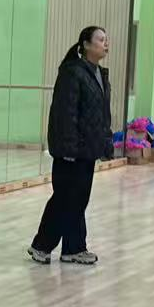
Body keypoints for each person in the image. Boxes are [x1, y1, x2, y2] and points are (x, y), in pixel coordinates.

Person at [27, 25, 113, 267]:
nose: (106, 44)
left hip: (88, 150)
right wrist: (69, 149)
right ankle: (41, 246)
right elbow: (65, 114)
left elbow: (102, 115)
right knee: (64, 199)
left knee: (78, 200)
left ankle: (74, 249)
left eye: (106, 40)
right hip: (71, 151)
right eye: (101, 40)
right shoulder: (72, 72)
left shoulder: (100, 74)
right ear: (86, 44)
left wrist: (106, 142)